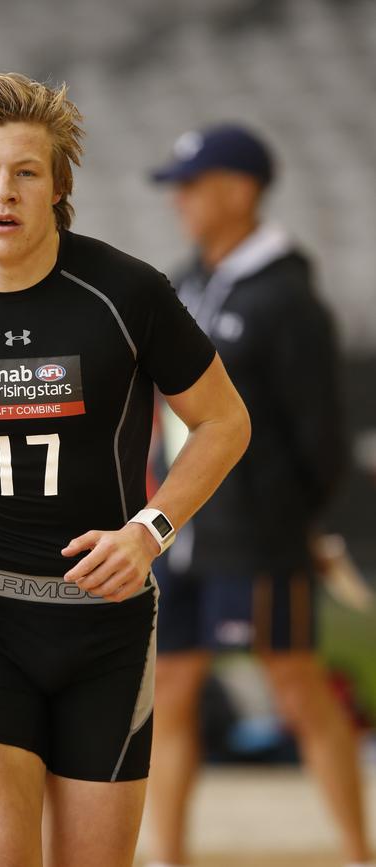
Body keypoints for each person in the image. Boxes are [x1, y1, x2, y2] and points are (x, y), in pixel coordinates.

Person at [0, 65, 251, 867]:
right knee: (0, 855)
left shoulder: (129, 294)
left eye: (26, 172)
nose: (3, 192)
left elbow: (225, 422)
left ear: (58, 185)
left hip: (109, 623)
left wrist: (151, 529)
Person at [145, 123, 374, 867]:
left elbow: (323, 438)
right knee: (169, 688)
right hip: (178, 523)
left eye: (193, 184)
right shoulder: (186, 282)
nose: (179, 200)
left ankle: (356, 848)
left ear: (241, 190)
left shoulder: (287, 298)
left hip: (257, 531)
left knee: (297, 686)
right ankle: (166, 854)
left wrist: (293, 522)